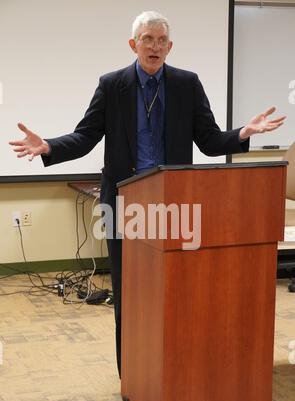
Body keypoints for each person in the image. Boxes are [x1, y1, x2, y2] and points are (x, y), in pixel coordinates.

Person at [9, 11, 286, 377]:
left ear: (170, 47)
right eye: (147, 39)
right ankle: (133, 374)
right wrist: (49, 147)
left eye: (161, 41)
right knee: (128, 290)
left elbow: (208, 141)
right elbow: (86, 136)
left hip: (174, 203)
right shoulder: (112, 85)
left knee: (174, 290)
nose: (154, 46)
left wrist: (243, 134)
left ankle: (172, 371)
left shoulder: (187, 84)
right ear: (133, 44)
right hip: (124, 202)